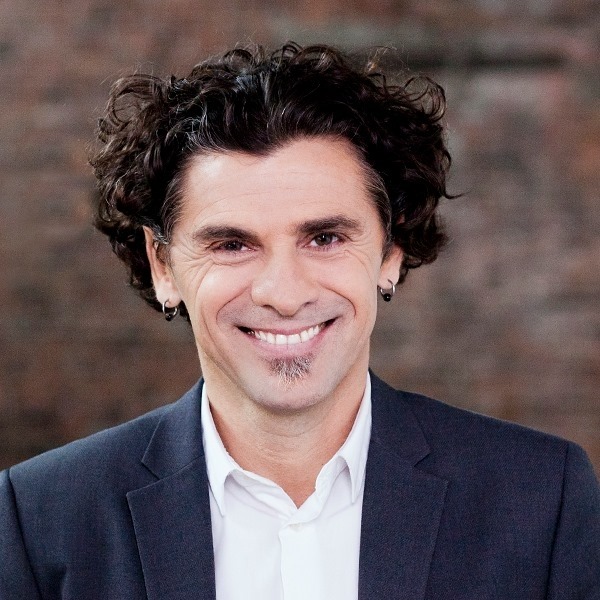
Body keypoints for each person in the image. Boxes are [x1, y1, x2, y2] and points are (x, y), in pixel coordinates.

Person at [1, 42, 598, 600]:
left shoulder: (542, 499)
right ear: (163, 266)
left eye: (325, 237)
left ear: (391, 251)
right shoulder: (39, 520)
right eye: (232, 244)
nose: (284, 295)